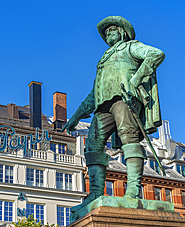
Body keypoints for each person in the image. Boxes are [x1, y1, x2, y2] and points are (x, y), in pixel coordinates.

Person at [62, 16, 165, 213]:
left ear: (122, 32)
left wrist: (136, 79)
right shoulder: (104, 59)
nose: (108, 34)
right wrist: (75, 116)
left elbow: (156, 54)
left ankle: (133, 190)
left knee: (129, 137)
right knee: (92, 144)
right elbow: (94, 93)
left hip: (125, 98)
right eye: (106, 32)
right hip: (103, 105)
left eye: (112, 30)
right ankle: (95, 193)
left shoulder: (130, 47)